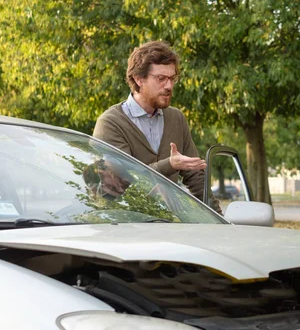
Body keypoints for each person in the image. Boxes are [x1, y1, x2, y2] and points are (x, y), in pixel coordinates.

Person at [93, 40, 221, 213]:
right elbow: (120, 183)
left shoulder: (176, 118)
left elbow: (196, 178)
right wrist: (169, 164)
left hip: (167, 225)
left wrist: (220, 222)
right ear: (139, 79)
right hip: (123, 225)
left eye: (172, 78)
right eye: (161, 79)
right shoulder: (110, 123)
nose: (169, 86)